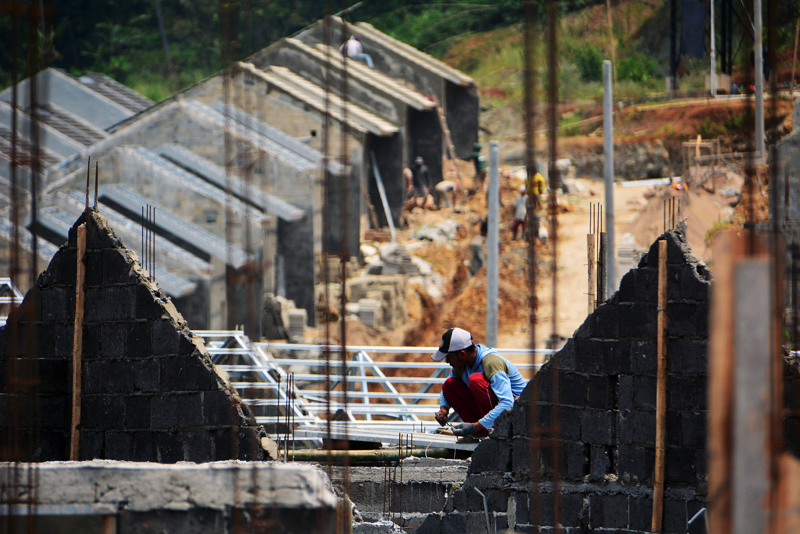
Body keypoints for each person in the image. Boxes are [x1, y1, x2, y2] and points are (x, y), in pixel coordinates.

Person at [432, 327, 527, 440]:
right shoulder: (461, 365)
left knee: (475, 380)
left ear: (461, 354)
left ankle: (492, 431)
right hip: (493, 414)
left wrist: (476, 426)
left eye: (448, 357)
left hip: (517, 415)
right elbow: (446, 390)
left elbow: (507, 403)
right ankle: (478, 433)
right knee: (449, 384)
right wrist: (444, 409)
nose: (447, 361)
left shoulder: (491, 363)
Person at [525, 164, 546, 241]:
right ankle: (529, 235)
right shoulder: (529, 178)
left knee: (536, 219)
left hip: (535, 199)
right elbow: (527, 188)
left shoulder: (539, 178)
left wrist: (539, 203)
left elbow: (539, 191)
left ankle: (536, 235)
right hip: (530, 199)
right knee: (529, 218)